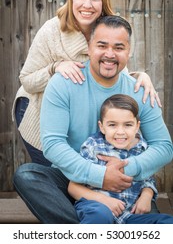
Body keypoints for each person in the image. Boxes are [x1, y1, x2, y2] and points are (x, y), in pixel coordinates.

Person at [13, 15, 173, 224]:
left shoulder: (139, 90)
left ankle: (96, 226)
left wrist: (126, 169)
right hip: (73, 178)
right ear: (89, 47)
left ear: (129, 51)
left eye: (118, 47)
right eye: (102, 45)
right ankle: (90, 229)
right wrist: (100, 175)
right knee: (27, 175)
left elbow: (163, 147)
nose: (109, 54)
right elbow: (53, 145)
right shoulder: (63, 83)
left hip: (124, 184)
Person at [13, 0, 161, 166]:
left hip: (76, 115)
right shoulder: (52, 30)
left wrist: (139, 75)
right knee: (55, 174)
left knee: (82, 171)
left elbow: (113, 68)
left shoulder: (108, 28)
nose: (87, 5)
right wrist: (54, 67)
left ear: (103, 2)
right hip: (37, 109)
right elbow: (27, 80)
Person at [68, 94, 173, 224]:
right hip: (97, 207)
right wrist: (104, 200)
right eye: (112, 125)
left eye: (128, 125)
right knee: (99, 215)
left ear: (137, 126)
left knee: (167, 222)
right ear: (102, 127)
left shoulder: (142, 148)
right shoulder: (93, 147)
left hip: (130, 214)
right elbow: (73, 187)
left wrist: (147, 195)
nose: (120, 132)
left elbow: (148, 178)